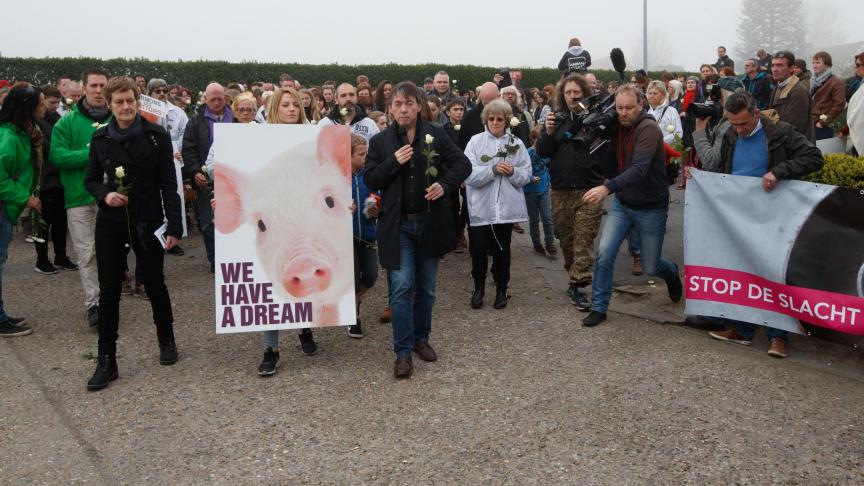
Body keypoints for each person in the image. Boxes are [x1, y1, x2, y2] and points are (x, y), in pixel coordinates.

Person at [691, 91, 824, 358]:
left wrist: (779, 171)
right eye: (733, 123)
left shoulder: (781, 133)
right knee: (740, 271)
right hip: (738, 216)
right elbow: (722, 170)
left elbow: (814, 158)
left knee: (772, 274)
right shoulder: (729, 134)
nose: (738, 130)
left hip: (773, 217)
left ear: (756, 114)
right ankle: (742, 329)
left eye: (743, 124)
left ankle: (778, 337)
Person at [364, 81, 471, 379]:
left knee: (426, 288)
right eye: (397, 104)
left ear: (418, 106)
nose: (402, 109)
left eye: (408, 103)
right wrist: (393, 162)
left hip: (431, 223)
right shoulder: (381, 142)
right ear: (390, 107)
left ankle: (422, 339)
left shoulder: (435, 133)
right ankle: (402, 351)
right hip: (397, 226)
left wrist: (445, 184)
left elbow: (462, 164)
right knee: (400, 287)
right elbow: (371, 179)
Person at [83, 77, 183, 390]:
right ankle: (106, 359)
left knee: (155, 283)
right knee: (109, 290)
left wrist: (175, 226)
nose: (125, 107)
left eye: (130, 101)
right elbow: (91, 179)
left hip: (148, 219)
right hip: (112, 221)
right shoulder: (100, 139)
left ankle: (166, 339)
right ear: (109, 105)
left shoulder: (156, 136)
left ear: (137, 101)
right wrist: (104, 195)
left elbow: (169, 183)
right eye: (119, 102)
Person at [581, 85, 683, 327]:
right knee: (605, 254)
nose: (623, 113)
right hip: (623, 203)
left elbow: (639, 168)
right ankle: (599, 306)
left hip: (651, 206)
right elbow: (609, 165)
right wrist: (600, 139)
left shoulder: (648, 128)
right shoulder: (616, 126)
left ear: (641, 105)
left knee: (651, 265)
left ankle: (672, 274)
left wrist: (608, 187)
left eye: (629, 108)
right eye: (619, 108)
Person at [256, 87, 319, 374]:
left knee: (302, 272)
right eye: (285, 105)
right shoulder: (258, 141)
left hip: (304, 218)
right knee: (270, 285)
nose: (292, 109)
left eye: (295, 104)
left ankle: (304, 327)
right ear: (274, 109)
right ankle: (272, 347)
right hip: (275, 220)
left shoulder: (311, 139)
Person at [536, 73, 605, 310]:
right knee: (566, 238)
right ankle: (574, 276)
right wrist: (546, 131)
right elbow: (543, 151)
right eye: (568, 92)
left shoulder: (595, 117)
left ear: (584, 93)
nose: (573, 96)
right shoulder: (556, 117)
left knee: (583, 240)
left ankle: (578, 285)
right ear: (562, 95)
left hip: (590, 188)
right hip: (561, 189)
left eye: (577, 92)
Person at [50, 68, 111, 327]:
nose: (98, 91)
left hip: (110, 197)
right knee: (86, 254)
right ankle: (94, 304)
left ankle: (109, 300)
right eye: (94, 86)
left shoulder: (116, 117)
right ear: (84, 89)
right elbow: (57, 156)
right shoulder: (67, 122)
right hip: (78, 197)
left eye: (102, 86)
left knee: (109, 253)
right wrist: (90, 154)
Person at [463, 99, 530, 309]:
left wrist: (513, 171)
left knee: (502, 250)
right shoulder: (475, 142)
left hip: (505, 208)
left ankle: (502, 288)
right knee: (478, 249)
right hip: (480, 206)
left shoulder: (516, 144)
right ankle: (479, 287)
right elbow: (467, 174)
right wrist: (492, 170)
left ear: (507, 121)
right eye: (491, 118)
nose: (495, 122)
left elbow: (526, 174)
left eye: (499, 119)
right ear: (485, 120)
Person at [0, 83, 45, 337]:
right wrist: (25, 198)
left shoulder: (21, 132)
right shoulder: (9, 136)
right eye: (39, 104)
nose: (43, 108)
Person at [182, 82, 233, 273]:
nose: (217, 102)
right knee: (208, 220)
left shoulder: (234, 117)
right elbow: (188, 149)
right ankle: (215, 259)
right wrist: (195, 171)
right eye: (213, 99)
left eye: (220, 98)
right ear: (205, 99)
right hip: (207, 178)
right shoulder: (195, 122)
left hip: (231, 176)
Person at [32, 86, 76, 275]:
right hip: (44, 179)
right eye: (51, 102)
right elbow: (49, 149)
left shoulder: (58, 119)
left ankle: (61, 256)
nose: (55, 106)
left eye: (57, 102)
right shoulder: (35, 123)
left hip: (60, 179)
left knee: (60, 221)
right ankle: (41, 260)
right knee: (42, 222)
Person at [346, 133, 378, 339]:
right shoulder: (336, 176)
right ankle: (353, 317)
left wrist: (375, 206)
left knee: (371, 275)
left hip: (367, 233)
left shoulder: (369, 174)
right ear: (347, 155)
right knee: (352, 278)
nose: (365, 158)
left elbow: (377, 193)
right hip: (345, 237)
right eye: (361, 154)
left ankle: (355, 302)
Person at [768, 51, 814, 141]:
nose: (774, 69)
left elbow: (793, 128)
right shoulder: (778, 86)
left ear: (791, 68)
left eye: (780, 65)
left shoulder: (798, 91)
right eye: (773, 65)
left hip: (797, 149)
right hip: (782, 145)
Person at [524, 126, 555, 257]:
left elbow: (550, 166)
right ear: (533, 139)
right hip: (530, 191)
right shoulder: (528, 152)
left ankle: (550, 243)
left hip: (544, 189)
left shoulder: (548, 151)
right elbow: (522, 170)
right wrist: (530, 178)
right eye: (539, 139)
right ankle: (537, 243)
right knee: (534, 220)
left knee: (547, 218)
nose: (541, 141)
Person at [809, 51, 846, 141]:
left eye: (818, 63)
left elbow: (839, 105)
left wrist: (822, 122)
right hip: (810, 124)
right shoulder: (812, 81)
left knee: (822, 153)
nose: (814, 66)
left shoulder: (836, 82)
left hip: (823, 127)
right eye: (813, 63)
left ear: (827, 64)